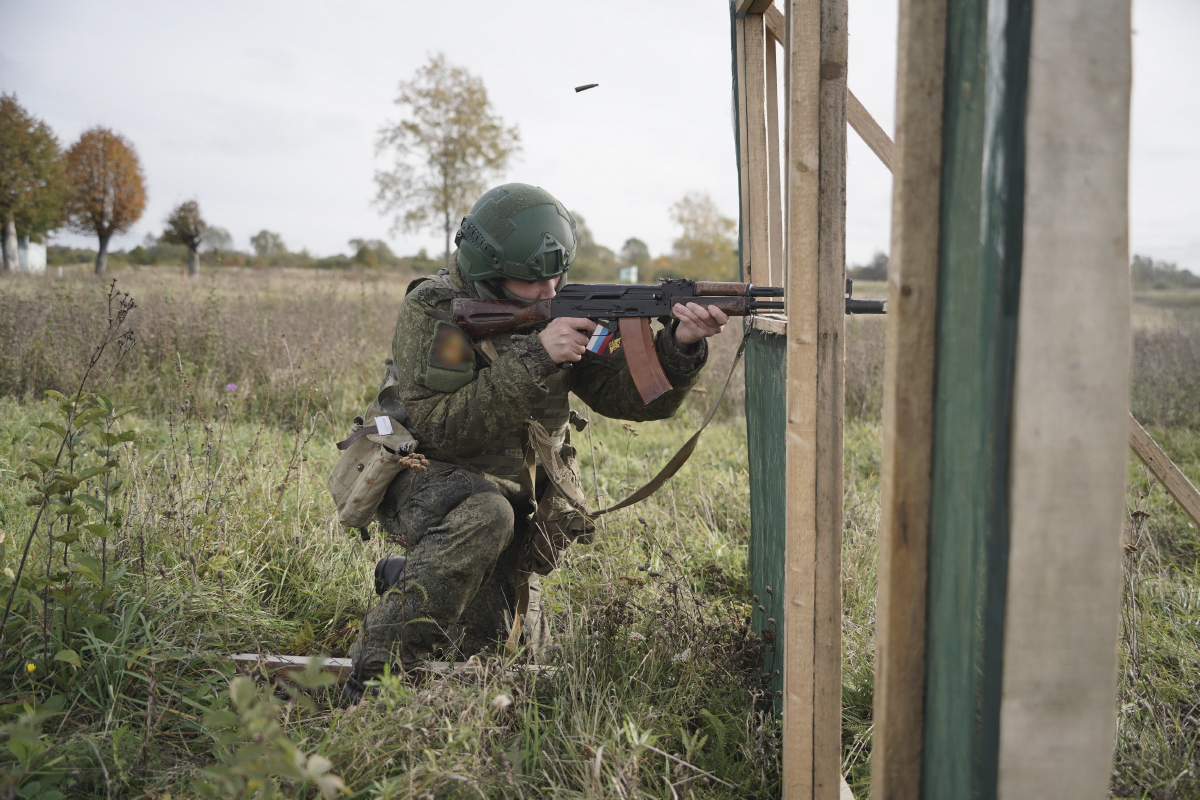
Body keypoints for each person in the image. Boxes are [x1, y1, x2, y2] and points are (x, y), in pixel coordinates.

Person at [344, 183, 727, 701]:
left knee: (503, 648)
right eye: (532, 281)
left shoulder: (565, 308)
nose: (550, 291)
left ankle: (410, 579)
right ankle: (375, 670)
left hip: (514, 492)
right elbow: (444, 429)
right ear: (487, 270)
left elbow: (631, 400)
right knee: (485, 517)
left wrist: (679, 346)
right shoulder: (439, 312)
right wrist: (540, 355)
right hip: (426, 480)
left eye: (557, 276)